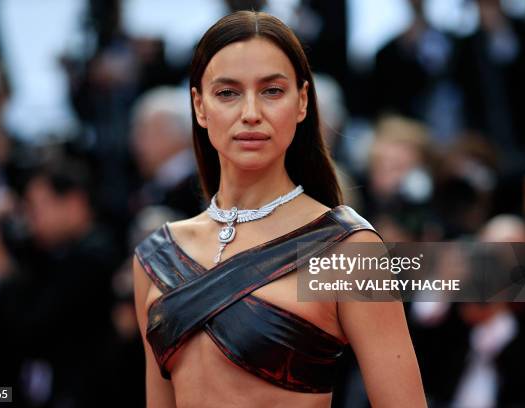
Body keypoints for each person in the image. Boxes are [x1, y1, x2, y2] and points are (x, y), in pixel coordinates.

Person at [133, 11, 426, 408]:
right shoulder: (156, 255)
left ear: (302, 102)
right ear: (200, 107)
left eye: (272, 91)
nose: (251, 112)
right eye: (228, 93)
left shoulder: (348, 251)